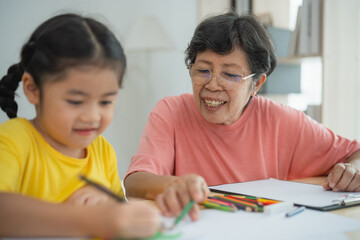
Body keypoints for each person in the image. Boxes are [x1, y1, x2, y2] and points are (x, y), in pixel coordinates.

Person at [124, 12, 360, 221]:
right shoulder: (171, 111)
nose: (212, 85)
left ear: (257, 84)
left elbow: (355, 153)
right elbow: (134, 183)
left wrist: (353, 170)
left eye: (229, 74)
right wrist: (174, 185)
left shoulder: (282, 121)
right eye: (203, 71)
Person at [0, 13, 161, 238]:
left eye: (106, 101)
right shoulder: (12, 140)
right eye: (75, 101)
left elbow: (118, 214)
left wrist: (114, 210)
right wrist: (90, 219)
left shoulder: (102, 150)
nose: (92, 116)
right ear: (33, 89)